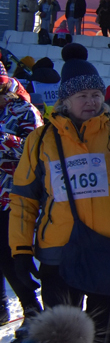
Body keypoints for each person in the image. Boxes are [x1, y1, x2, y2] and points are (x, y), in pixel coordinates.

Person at [10, 54, 110, 343]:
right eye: (81, 95)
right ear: (65, 100)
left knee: (104, 329)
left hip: (107, 247)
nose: (90, 101)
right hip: (59, 249)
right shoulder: (40, 139)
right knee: (61, 331)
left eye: (96, 94)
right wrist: (20, 249)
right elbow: (23, 199)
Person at [0, 64, 43, 324]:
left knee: (9, 255)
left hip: (12, 194)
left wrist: (3, 139)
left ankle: (32, 309)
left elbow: (35, 149)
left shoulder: (24, 109)